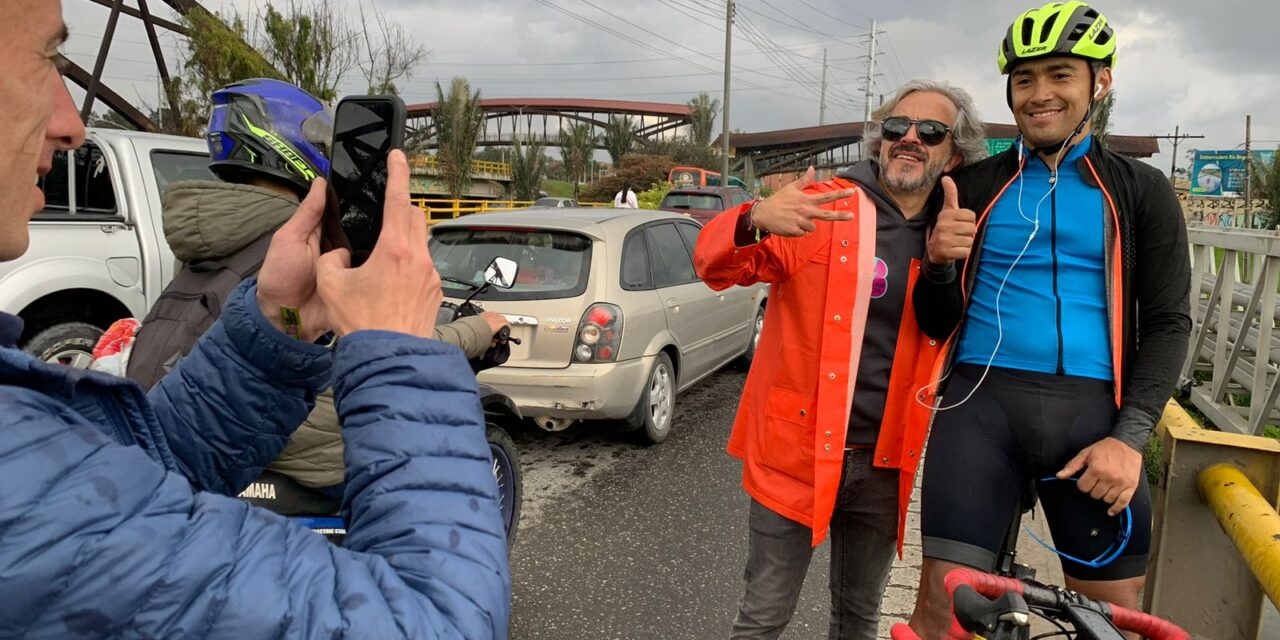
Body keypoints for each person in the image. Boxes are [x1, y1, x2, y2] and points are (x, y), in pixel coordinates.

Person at [0, 1, 510, 637]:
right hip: (312, 478)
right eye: (47, 59)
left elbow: (111, 480)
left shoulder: (203, 241)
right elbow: (442, 624)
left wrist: (276, 331)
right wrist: (400, 347)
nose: (74, 124)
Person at [907, 3, 1191, 637]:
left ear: (1100, 82)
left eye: (1061, 75)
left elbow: (1171, 322)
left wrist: (1130, 437)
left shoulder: (1140, 190)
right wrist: (937, 267)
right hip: (978, 413)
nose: (1040, 95)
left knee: (1112, 621)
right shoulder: (973, 185)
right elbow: (934, 322)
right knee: (940, 611)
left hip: (1093, 425)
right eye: (1025, 80)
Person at [693, 80, 988, 639]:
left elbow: (953, 329)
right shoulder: (824, 206)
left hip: (884, 460)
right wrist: (753, 216)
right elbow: (711, 266)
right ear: (879, 140)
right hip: (794, 453)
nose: (910, 139)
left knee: (857, 619)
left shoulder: (957, 231)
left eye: (930, 132)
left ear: (953, 153)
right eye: (897, 128)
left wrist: (947, 264)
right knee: (762, 618)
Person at [124, 78, 509, 496]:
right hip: (314, 460)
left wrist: (289, 325)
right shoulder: (303, 241)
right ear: (301, 146)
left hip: (198, 437)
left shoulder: (207, 238)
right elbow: (385, 346)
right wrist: (480, 328)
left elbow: (291, 330)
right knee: (443, 484)